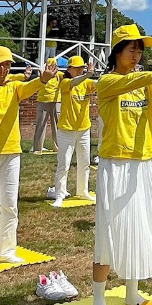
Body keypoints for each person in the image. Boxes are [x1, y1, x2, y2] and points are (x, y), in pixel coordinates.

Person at [91, 25, 152, 305]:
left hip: (143, 162)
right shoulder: (106, 82)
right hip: (115, 164)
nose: (137, 53)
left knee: (137, 227)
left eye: (140, 49)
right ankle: (99, 300)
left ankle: (132, 292)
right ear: (117, 51)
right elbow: (141, 79)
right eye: (132, 48)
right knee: (109, 232)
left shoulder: (142, 83)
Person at [0, 47, 57, 275]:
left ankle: (6, 250)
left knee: (10, 204)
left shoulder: (15, 86)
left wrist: (43, 79)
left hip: (11, 151)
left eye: (7, 64)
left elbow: (29, 88)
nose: (3, 68)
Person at [51, 56, 96, 207]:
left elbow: (99, 84)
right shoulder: (65, 82)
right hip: (66, 129)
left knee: (84, 162)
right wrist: (87, 75)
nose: (80, 70)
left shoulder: (87, 82)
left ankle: (82, 191)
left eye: (81, 68)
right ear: (69, 69)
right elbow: (74, 82)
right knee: (64, 163)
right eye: (76, 68)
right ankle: (60, 194)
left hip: (84, 128)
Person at [32, 58, 63, 154]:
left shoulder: (59, 75)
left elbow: (68, 78)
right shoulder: (43, 73)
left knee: (57, 125)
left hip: (56, 101)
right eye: (52, 65)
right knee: (40, 125)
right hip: (43, 101)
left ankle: (58, 147)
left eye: (55, 65)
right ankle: (37, 148)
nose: (54, 67)